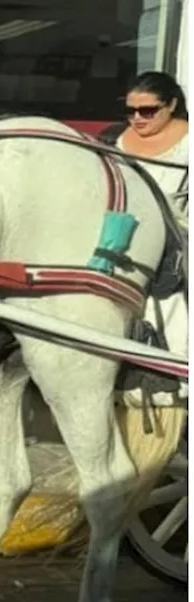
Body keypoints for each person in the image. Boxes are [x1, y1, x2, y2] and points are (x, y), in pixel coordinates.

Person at [109, 71, 189, 400]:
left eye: (147, 111)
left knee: (173, 306)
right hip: (129, 233)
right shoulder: (121, 140)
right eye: (131, 111)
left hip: (178, 236)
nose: (137, 118)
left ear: (171, 105)